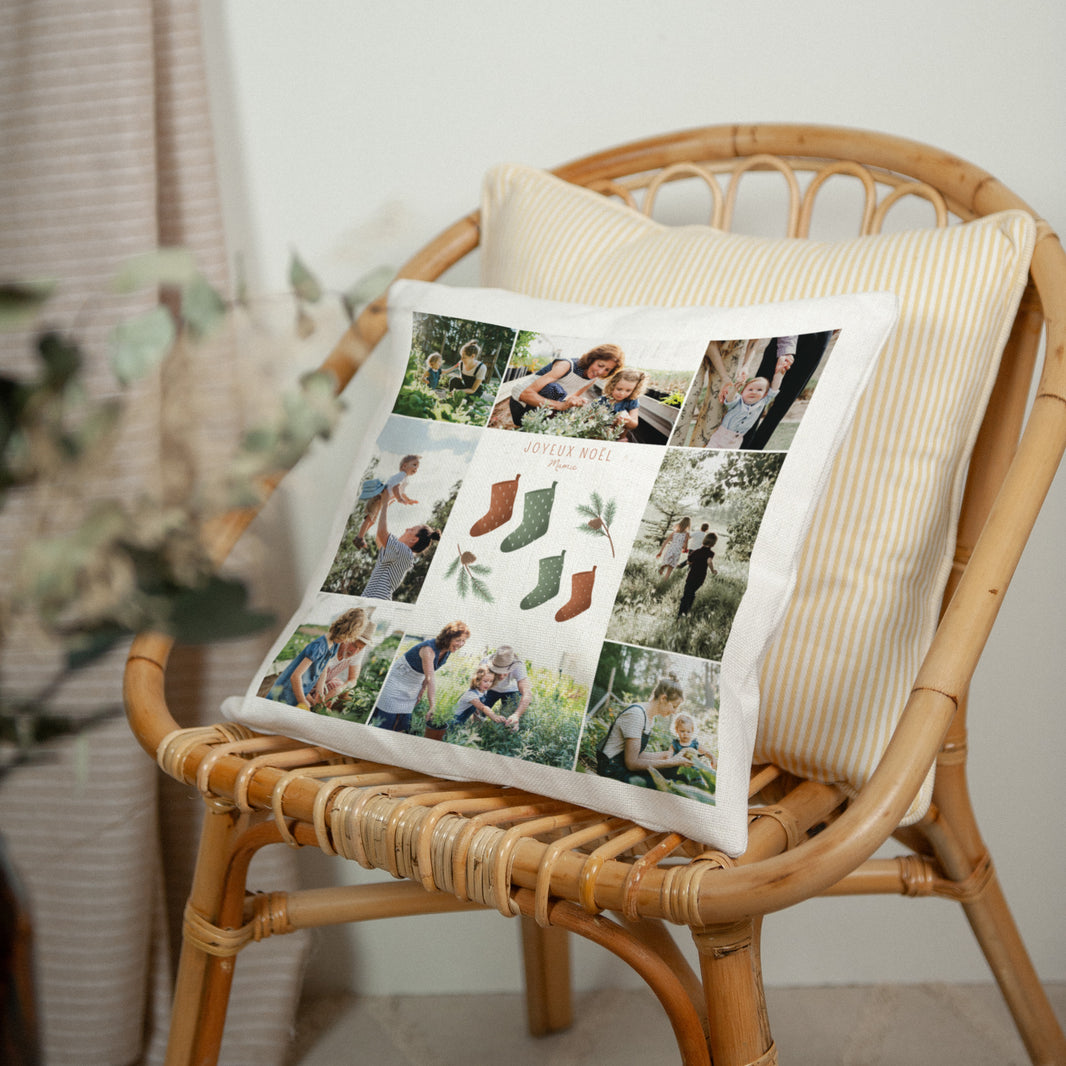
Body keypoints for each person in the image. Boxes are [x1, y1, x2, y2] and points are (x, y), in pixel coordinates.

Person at [371, 620, 470, 732]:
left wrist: (421, 691)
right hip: (397, 681)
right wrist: (432, 705)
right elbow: (430, 678)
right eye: (458, 640)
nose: (461, 644)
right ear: (447, 638)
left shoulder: (447, 651)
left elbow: (427, 674)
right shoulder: (428, 649)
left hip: (412, 685)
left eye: (463, 641)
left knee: (402, 725)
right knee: (385, 723)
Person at [269, 608, 375, 709]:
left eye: (360, 648)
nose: (355, 651)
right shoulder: (319, 647)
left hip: (304, 688)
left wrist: (319, 693)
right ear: (350, 635)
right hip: (285, 692)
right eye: (354, 643)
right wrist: (304, 702)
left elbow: (323, 669)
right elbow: (295, 677)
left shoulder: (334, 644)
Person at [595, 677, 690, 785]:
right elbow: (632, 763)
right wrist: (669, 762)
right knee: (669, 786)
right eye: (674, 706)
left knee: (680, 774)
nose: (674, 712)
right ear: (663, 698)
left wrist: (666, 755)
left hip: (623, 766)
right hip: (612, 770)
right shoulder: (637, 714)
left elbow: (637, 754)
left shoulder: (649, 717)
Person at [508, 343, 624, 427]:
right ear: (592, 359)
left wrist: (575, 402)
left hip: (542, 406)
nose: (600, 372)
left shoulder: (592, 378)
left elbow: (569, 397)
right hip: (520, 403)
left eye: (607, 370)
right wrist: (560, 406)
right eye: (600, 365)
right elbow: (525, 394)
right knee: (554, 389)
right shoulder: (566, 365)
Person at [705, 347, 795, 450]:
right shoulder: (738, 400)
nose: (754, 392)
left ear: (765, 394)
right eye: (750, 389)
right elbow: (729, 399)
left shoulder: (762, 402)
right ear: (742, 392)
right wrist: (735, 387)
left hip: (737, 440)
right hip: (721, 437)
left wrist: (779, 372)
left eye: (759, 390)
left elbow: (774, 388)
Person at [361, 495, 440, 600]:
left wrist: (384, 504)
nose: (407, 529)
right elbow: (379, 538)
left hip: (376, 598)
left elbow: (382, 533)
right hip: (373, 597)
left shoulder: (405, 552)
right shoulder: (400, 553)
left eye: (411, 530)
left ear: (413, 540)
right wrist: (382, 509)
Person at [356, 453, 421, 549]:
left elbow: (402, 493)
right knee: (370, 518)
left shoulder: (405, 479)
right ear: (404, 466)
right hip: (379, 497)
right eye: (414, 465)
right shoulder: (402, 475)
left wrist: (409, 500)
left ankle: (361, 535)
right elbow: (395, 487)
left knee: (372, 520)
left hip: (382, 501)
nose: (416, 468)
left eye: (418, 467)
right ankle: (359, 538)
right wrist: (399, 499)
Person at [573, 366, 646, 434]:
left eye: (628, 390)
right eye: (619, 389)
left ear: (634, 390)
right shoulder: (601, 401)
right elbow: (587, 417)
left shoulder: (632, 401)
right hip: (600, 432)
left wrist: (628, 420)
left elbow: (634, 424)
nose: (622, 393)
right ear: (612, 385)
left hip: (618, 434)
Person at [477, 645, 532, 730]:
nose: (501, 677)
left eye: (505, 672)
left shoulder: (519, 666)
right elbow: (477, 686)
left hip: (511, 691)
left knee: (509, 722)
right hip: (490, 689)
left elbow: (527, 693)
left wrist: (516, 715)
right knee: (478, 715)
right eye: (498, 672)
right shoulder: (485, 663)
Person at [676, 531, 717, 618]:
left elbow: (689, 561)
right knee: (692, 593)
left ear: (705, 540)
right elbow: (709, 561)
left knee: (686, 594)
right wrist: (713, 570)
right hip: (700, 577)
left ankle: (680, 614)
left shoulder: (696, 551)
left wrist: (690, 563)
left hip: (691, 576)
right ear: (713, 544)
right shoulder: (711, 553)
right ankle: (686, 612)